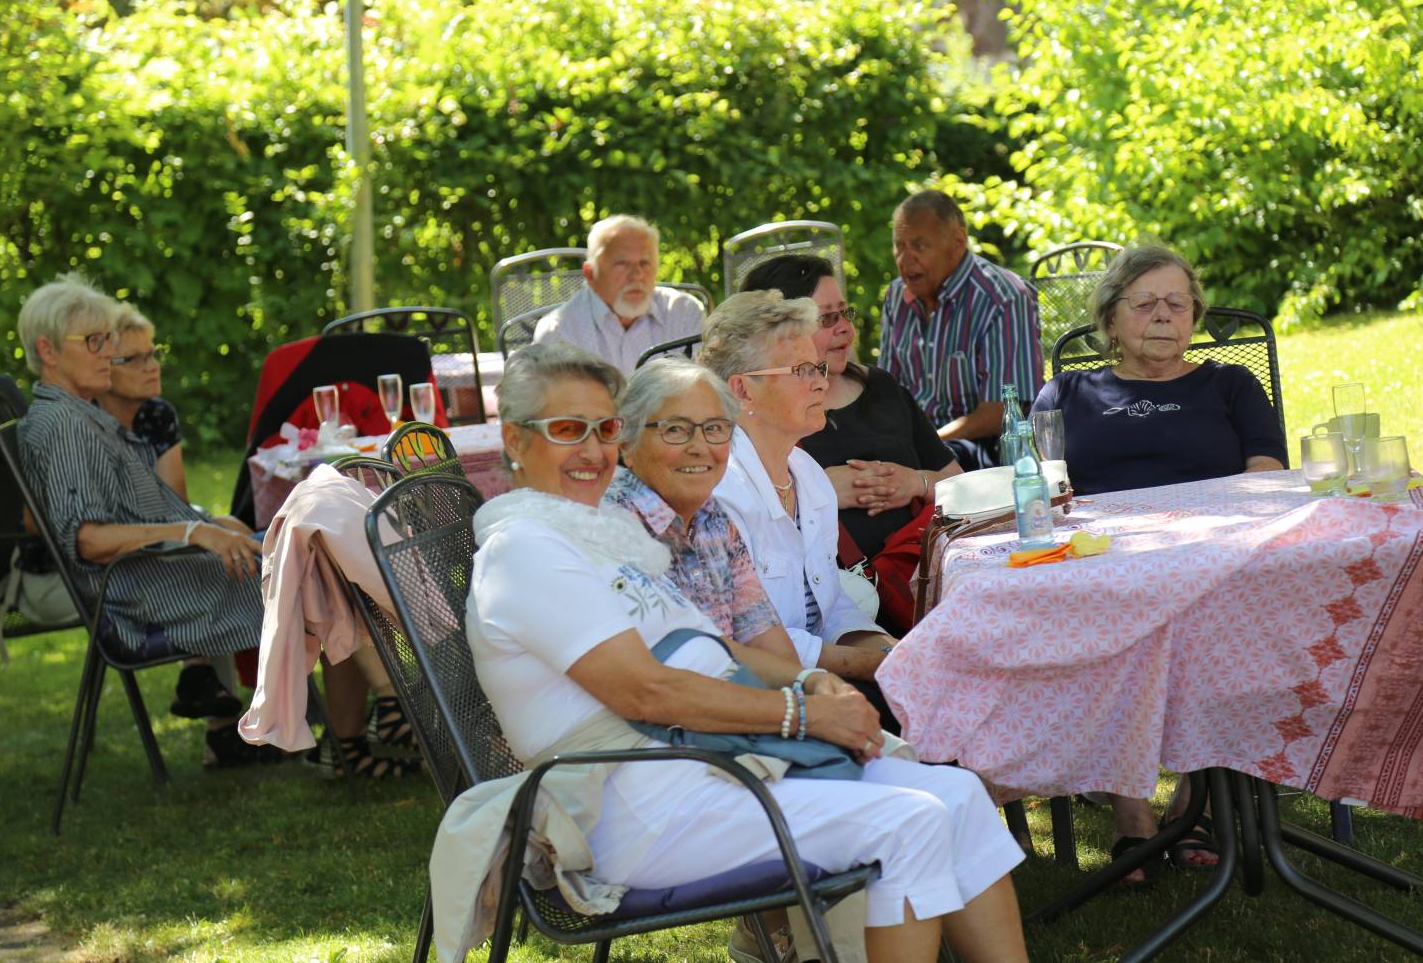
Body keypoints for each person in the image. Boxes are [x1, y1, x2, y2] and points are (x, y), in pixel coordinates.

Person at [467, 341, 1030, 963]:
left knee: (959, 801)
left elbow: (707, 645)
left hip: (704, 767)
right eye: (569, 430)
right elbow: (645, 690)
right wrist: (802, 716)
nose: (595, 451)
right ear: (516, 443)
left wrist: (813, 685)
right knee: (909, 822)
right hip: (634, 803)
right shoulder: (526, 549)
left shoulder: (599, 537)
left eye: (604, 430)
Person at [1031, 242, 1287, 882]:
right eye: (1145, 304)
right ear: (1111, 319)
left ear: (1196, 315)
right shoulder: (1068, 391)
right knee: (1110, 631)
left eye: (1178, 303)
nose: (1164, 315)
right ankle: (1132, 816)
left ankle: (1193, 802)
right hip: (1105, 568)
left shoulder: (1230, 383)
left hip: (1213, 555)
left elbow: (1268, 468)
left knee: (1223, 620)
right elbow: (1037, 485)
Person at [15, 274, 273, 768]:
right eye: (95, 341)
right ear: (48, 351)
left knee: (307, 551)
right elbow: (88, 540)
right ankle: (376, 725)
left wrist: (205, 531)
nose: (108, 353)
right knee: (315, 567)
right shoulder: (66, 426)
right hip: (140, 596)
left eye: (109, 339)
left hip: (156, 578)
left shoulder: (80, 414)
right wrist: (194, 532)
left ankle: (356, 722)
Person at [740, 255, 962, 633]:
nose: (845, 330)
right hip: (839, 609)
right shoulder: (769, 418)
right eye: (827, 319)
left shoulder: (882, 388)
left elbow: (963, 486)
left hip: (927, 585)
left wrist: (917, 484)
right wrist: (818, 489)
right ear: (781, 331)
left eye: (846, 314)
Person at [703, 292, 899, 696]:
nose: (822, 382)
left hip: (822, 684)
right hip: (760, 701)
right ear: (743, 390)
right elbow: (745, 640)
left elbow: (831, 607)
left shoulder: (806, 475)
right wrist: (872, 666)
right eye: (803, 370)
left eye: (819, 367)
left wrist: (891, 650)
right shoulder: (717, 492)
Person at [607, 357, 799, 667]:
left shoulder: (713, 517)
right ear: (627, 443)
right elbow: (665, 668)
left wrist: (806, 687)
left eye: (714, 428)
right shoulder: (612, 526)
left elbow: (766, 637)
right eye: (675, 429)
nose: (700, 447)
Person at [878, 190, 1043, 470]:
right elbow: (886, 394)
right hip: (911, 450)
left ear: (957, 243)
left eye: (919, 246)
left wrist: (927, 444)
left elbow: (1001, 412)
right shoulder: (897, 296)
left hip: (982, 454)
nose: (905, 259)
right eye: (899, 246)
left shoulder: (1003, 298)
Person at [530, 214, 704, 374]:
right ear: (590, 273)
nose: (636, 275)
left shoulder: (684, 313)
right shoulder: (560, 332)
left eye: (645, 263)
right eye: (622, 264)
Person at [98, 302, 190, 501]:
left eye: (151, 355)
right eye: (132, 359)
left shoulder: (158, 413)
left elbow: (178, 505)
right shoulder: (84, 422)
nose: (152, 367)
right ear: (102, 364)